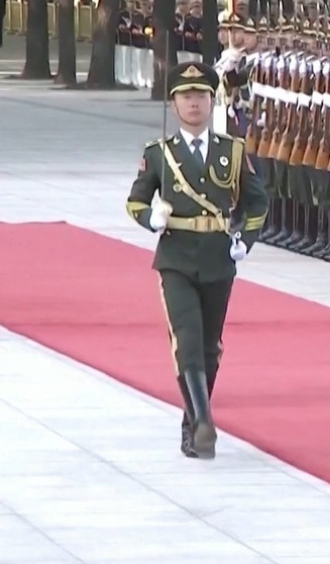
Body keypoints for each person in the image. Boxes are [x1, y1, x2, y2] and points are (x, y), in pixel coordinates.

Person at [125, 61, 269, 460]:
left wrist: (246, 238)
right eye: (185, 97)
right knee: (186, 338)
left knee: (210, 346)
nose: (193, 104)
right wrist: (149, 218)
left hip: (218, 257)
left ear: (212, 101)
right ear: (173, 105)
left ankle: (193, 421)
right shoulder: (159, 155)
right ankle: (204, 422)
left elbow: (257, 201)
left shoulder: (232, 152)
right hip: (175, 257)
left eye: (200, 96)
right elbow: (136, 199)